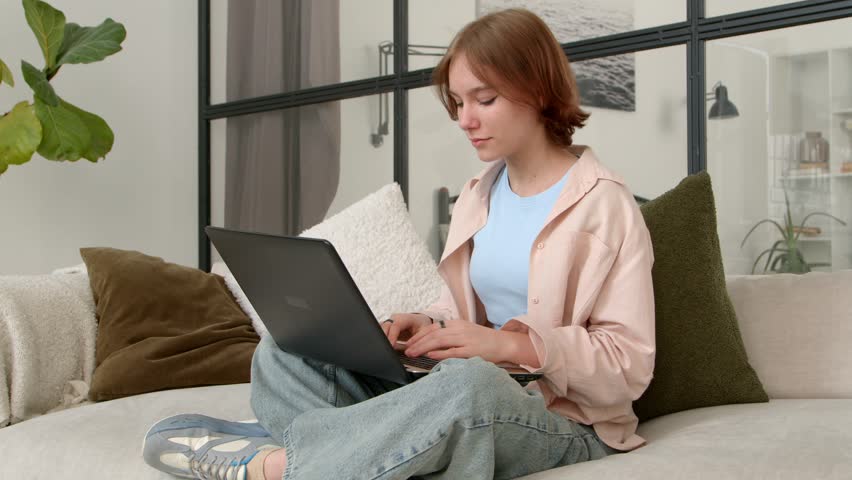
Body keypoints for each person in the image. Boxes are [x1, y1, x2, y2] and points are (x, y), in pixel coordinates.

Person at [142, 7, 655, 480]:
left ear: (539, 89)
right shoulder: (481, 193)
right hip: (457, 383)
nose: (464, 120)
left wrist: (507, 346)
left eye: (485, 99)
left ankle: (278, 464)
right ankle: (358, 451)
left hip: (561, 421)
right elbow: (463, 312)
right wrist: (426, 323)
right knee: (289, 346)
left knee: (469, 388)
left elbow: (629, 367)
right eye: (457, 102)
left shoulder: (604, 204)